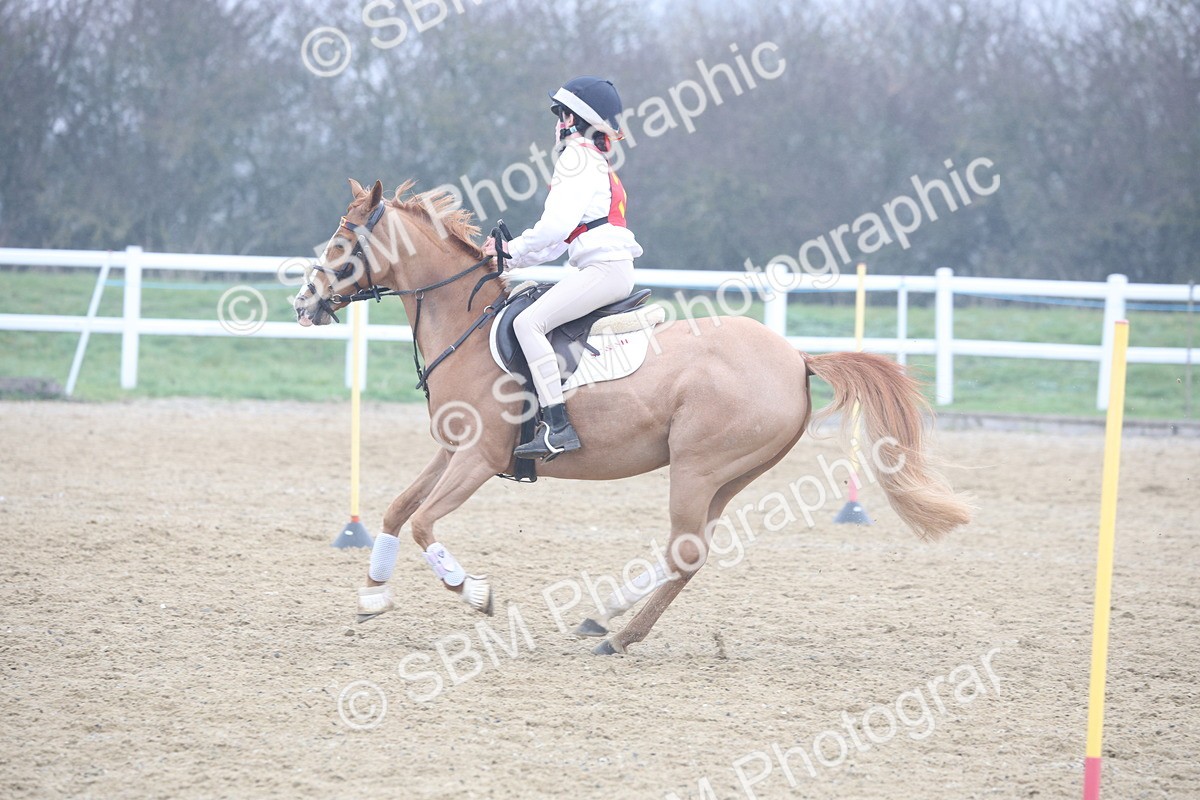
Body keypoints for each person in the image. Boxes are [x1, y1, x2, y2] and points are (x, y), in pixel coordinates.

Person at [483, 75, 643, 460]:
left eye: (562, 114)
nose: (557, 122)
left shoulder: (576, 156)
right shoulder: (593, 160)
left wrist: (511, 250)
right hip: (602, 268)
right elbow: (557, 241)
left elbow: (553, 229)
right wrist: (510, 256)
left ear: (576, 120)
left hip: (603, 270)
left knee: (527, 323)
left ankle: (557, 426)